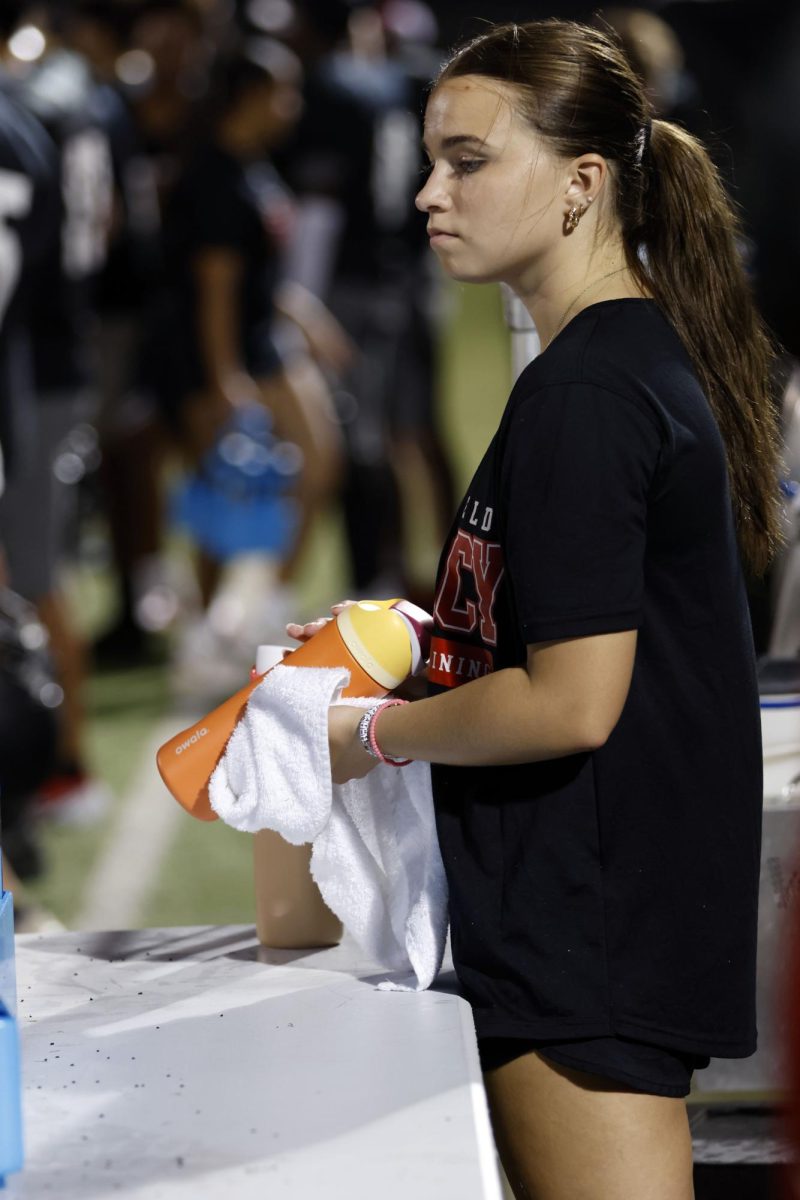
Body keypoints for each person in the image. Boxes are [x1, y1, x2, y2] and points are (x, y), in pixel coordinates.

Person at [289, 19, 781, 1200]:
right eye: (429, 160)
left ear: (581, 184)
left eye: (466, 161)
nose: (425, 194)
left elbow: (570, 702)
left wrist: (364, 734)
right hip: (587, 914)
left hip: (587, 926)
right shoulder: (604, 365)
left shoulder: (587, 394)